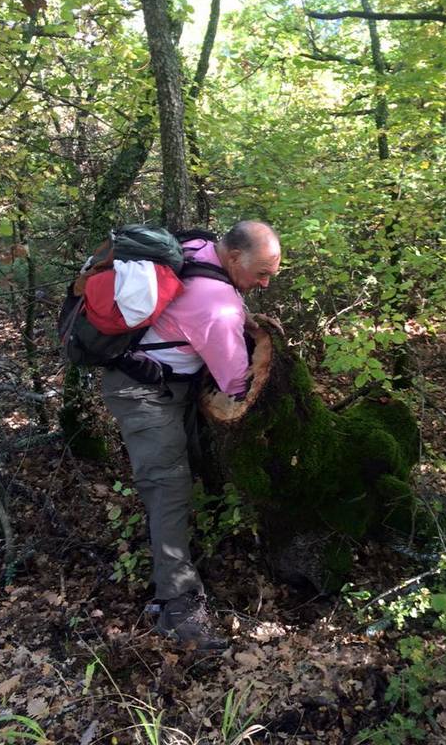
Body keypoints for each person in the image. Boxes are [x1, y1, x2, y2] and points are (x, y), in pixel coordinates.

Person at [101, 220, 281, 649]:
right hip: (143, 393)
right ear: (233, 256)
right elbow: (236, 383)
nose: (266, 283)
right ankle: (177, 606)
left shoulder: (200, 248)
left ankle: (184, 554)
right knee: (168, 487)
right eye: (261, 273)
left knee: (182, 473)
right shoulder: (217, 304)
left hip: (160, 382)